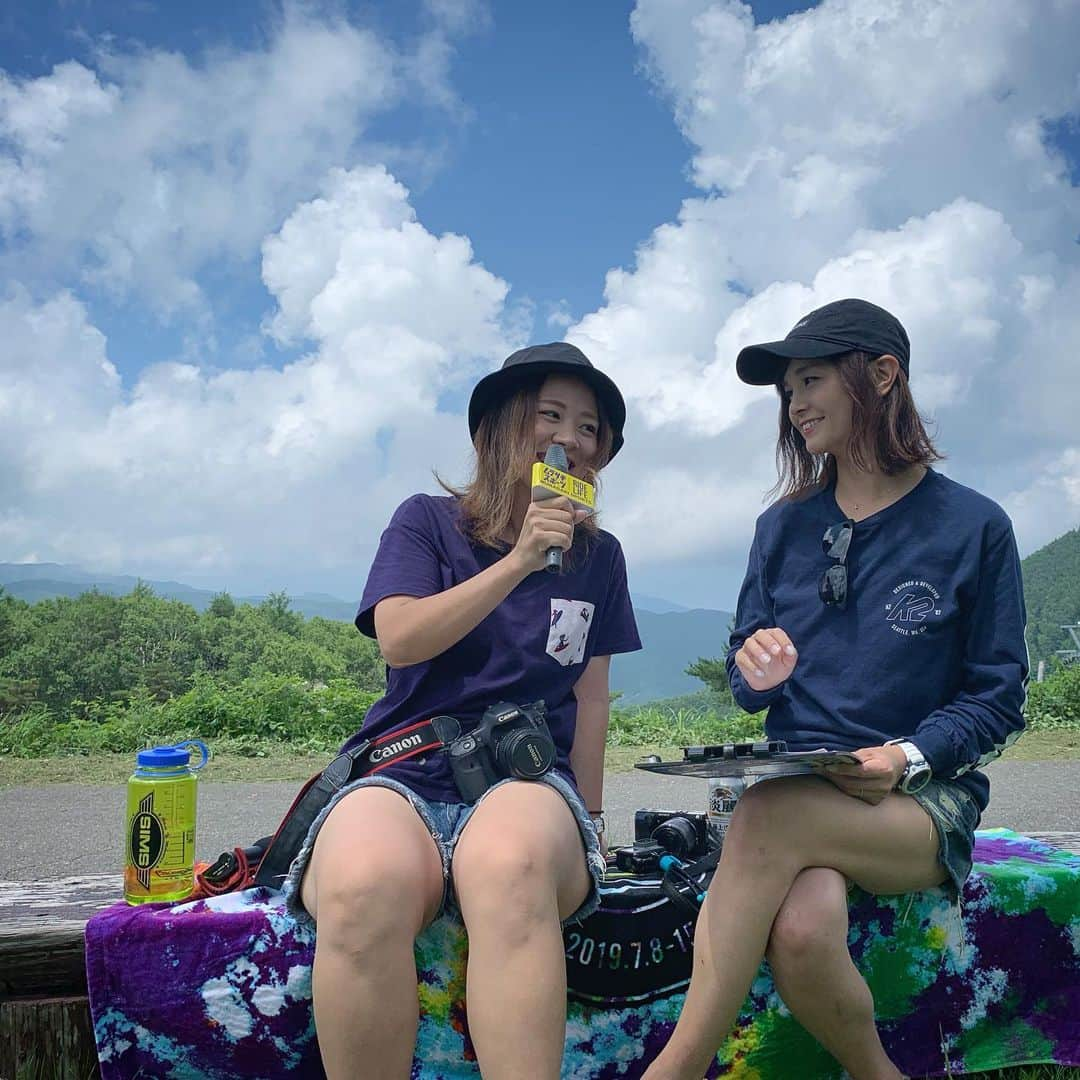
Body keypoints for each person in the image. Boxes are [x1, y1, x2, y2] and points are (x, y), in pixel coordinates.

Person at [644, 299, 1027, 1080]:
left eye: (811, 379)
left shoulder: (975, 526)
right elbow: (743, 668)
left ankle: (673, 1072)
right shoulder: (780, 528)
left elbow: (998, 694)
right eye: (788, 391)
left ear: (882, 375)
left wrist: (907, 757)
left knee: (766, 814)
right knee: (801, 932)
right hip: (802, 788)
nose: (795, 405)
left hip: (924, 800)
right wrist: (755, 674)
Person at [282, 342, 641, 1080]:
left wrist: (593, 825)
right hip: (403, 774)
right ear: (501, 429)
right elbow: (402, 637)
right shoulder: (427, 522)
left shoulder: (600, 559)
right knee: (361, 882)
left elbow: (590, 694)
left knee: (509, 865)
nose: (571, 439)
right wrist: (518, 562)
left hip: (527, 785)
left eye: (589, 427)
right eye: (552, 415)